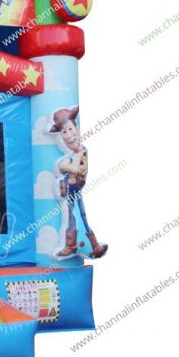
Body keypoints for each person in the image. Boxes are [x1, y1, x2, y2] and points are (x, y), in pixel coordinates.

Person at [49, 106, 108, 259]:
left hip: (76, 187)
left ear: (76, 128)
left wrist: (65, 166)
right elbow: (64, 169)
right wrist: (65, 168)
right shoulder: (71, 156)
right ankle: (73, 245)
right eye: (64, 132)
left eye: (70, 129)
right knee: (72, 215)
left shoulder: (82, 152)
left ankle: (92, 245)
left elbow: (79, 169)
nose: (68, 135)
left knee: (80, 214)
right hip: (70, 188)